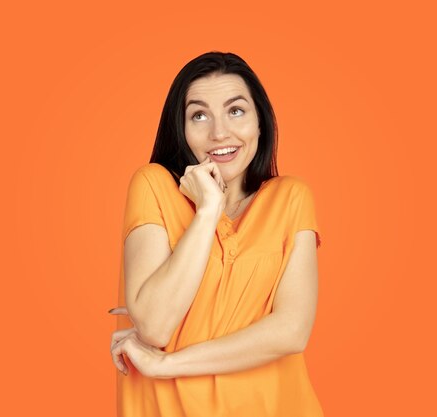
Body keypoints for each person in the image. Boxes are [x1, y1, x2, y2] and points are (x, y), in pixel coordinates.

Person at [108, 51, 324, 416]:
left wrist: (166, 365)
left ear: (260, 123)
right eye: (199, 115)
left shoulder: (291, 197)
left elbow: (291, 332)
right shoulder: (153, 186)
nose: (219, 132)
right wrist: (208, 210)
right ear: (182, 129)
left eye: (236, 111)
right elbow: (156, 327)